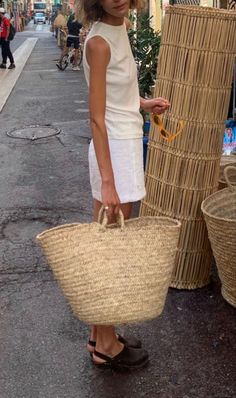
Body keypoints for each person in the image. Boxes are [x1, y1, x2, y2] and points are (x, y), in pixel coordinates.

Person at [82, 0, 170, 370]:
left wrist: (143, 103)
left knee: (109, 247)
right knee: (110, 252)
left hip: (124, 144)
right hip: (113, 152)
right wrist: (108, 183)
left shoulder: (119, 30)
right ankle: (104, 346)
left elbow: (116, 97)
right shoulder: (99, 42)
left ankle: (101, 332)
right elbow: (97, 118)